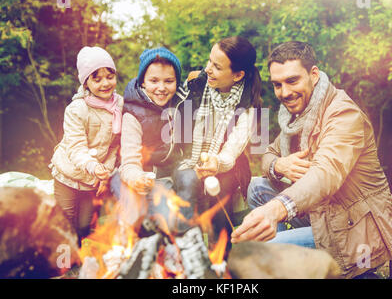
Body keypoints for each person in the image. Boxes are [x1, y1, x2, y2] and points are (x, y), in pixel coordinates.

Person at [231, 41, 392, 278]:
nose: (285, 92)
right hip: (321, 214)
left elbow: (325, 175)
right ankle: (295, 266)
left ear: (313, 75)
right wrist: (279, 164)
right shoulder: (298, 114)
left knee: (260, 252)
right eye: (277, 85)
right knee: (256, 188)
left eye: (292, 81)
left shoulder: (343, 114)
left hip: (351, 228)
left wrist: (276, 210)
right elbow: (268, 154)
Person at [172, 36, 262, 246]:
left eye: (217, 66)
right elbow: (172, 109)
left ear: (238, 75)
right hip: (188, 159)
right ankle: (187, 246)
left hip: (226, 167)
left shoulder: (249, 107)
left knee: (221, 189)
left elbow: (231, 151)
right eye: (209, 61)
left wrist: (217, 163)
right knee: (188, 180)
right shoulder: (197, 82)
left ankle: (221, 252)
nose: (208, 69)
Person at [50, 46, 123, 243]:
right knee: (65, 222)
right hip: (68, 174)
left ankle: (81, 262)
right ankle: (62, 265)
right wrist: (93, 166)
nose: (105, 83)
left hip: (92, 180)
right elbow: (76, 147)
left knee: (84, 225)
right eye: (96, 79)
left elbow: (114, 147)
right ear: (86, 83)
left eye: (109, 76)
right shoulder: (77, 109)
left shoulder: (119, 106)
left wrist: (104, 174)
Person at [110, 47, 187, 234]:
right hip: (130, 176)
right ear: (142, 82)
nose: (161, 88)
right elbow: (128, 163)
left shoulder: (181, 106)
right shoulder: (132, 114)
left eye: (169, 81)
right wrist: (138, 179)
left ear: (176, 82)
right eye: (154, 81)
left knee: (168, 223)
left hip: (162, 179)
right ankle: (128, 254)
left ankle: (163, 255)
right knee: (136, 217)